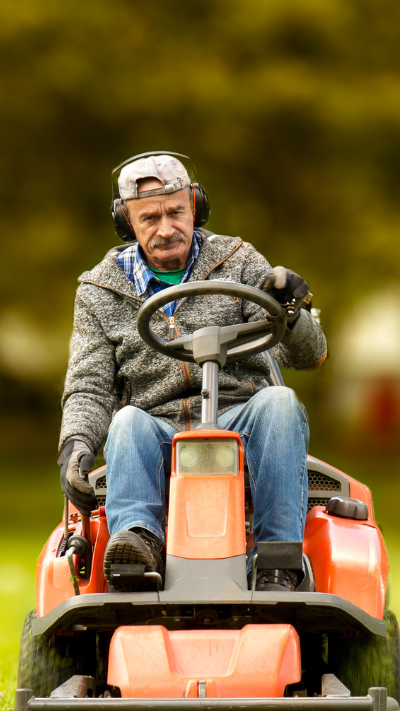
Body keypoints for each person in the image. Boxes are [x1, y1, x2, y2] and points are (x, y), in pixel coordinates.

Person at [57, 152, 327, 592]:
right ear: (127, 221)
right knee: (126, 421)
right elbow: (89, 385)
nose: (166, 229)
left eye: (175, 212)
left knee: (280, 402)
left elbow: (309, 356)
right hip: (156, 431)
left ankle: (277, 561)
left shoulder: (239, 260)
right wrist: (76, 444)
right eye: (150, 218)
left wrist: (293, 314)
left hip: (242, 424)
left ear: (195, 207)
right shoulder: (99, 290)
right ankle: (139, 546)